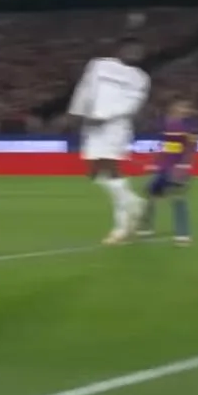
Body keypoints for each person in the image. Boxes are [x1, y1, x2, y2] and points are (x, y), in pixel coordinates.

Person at [68, 38, 150, 245]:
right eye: (131, 49)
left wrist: (105, 116)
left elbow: (132, 104)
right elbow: (85, 89)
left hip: (116, 126)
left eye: (139, 51)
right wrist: (77, 113)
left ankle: (121, 227)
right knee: (95, 174)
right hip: (91, 123)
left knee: (111, 168)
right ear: (119, 49)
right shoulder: (99, 65)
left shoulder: (140, 78)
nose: (134, 53)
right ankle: (136, 203)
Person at [137, 99, 198, 245]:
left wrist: (184, 165)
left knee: (177, 197)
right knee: (150, 193)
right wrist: (157, 162)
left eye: (184, 109)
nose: (184, 111)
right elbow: (169, 148)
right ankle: (146, 227)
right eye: (181, 108)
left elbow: (191, 147)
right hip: (164, 168)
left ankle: (183, 234)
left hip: (176, 168)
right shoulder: (169, 125)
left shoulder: (183, 128)